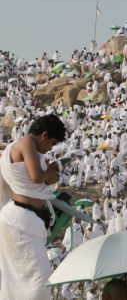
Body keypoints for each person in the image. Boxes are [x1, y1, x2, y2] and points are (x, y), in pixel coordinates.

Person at [0, 114, 65, 299]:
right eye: (51, 143)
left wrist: (50, 174)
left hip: (25, 220)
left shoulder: (28, 149)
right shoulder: (26, 143)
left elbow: (33, 183)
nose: (49, 149)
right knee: (39, 282)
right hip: (19, 218)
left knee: (22, 282)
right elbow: (36, 177)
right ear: (44, 135)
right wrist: (49, 173)